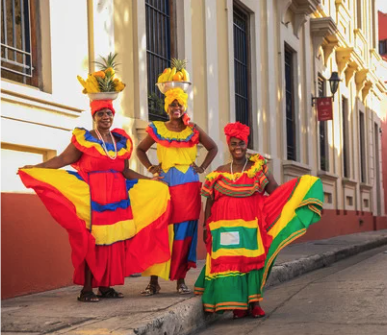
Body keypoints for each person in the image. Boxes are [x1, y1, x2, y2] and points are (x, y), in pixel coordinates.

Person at [18, 99, 171, 302]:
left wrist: (150, 180)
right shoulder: (85, 139)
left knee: (113, 241)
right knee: (95, 241)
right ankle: (87, 290)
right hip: (94, 197)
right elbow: (62, 160)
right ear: (94, 117)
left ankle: (106, 287)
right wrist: (38, 167)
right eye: (101, 114)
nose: (105, 117)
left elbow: (125, 170)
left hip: (117, 197)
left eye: (108, 113)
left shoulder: (120, 142)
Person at [194, 122, 323, 318]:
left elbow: (277, 193)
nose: (238, 147)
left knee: (251, 263)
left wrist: (298, 192)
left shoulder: (258, 170)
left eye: (242, 143)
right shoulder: (219, 172)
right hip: (223, 229)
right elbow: (210, 200)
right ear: (229, 145)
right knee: (229, 263)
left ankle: (253, 304)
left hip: (251, 228)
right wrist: (205, 226)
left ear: (247, 144)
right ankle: (237, 305)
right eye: (234, 143)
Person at [137, 87, 218, 295]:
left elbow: (213, 147)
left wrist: (201, 167)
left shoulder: (194, 129)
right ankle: (153, 281)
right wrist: (150, 167)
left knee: (184, 232)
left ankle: (180, 279)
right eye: (173, 104)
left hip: (189, 185)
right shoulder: (157, 128)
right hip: (164, 184)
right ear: (167, 106)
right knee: (160, 229)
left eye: (180, 104)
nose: (176, 107)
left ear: (184, 106)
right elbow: (140, 150)